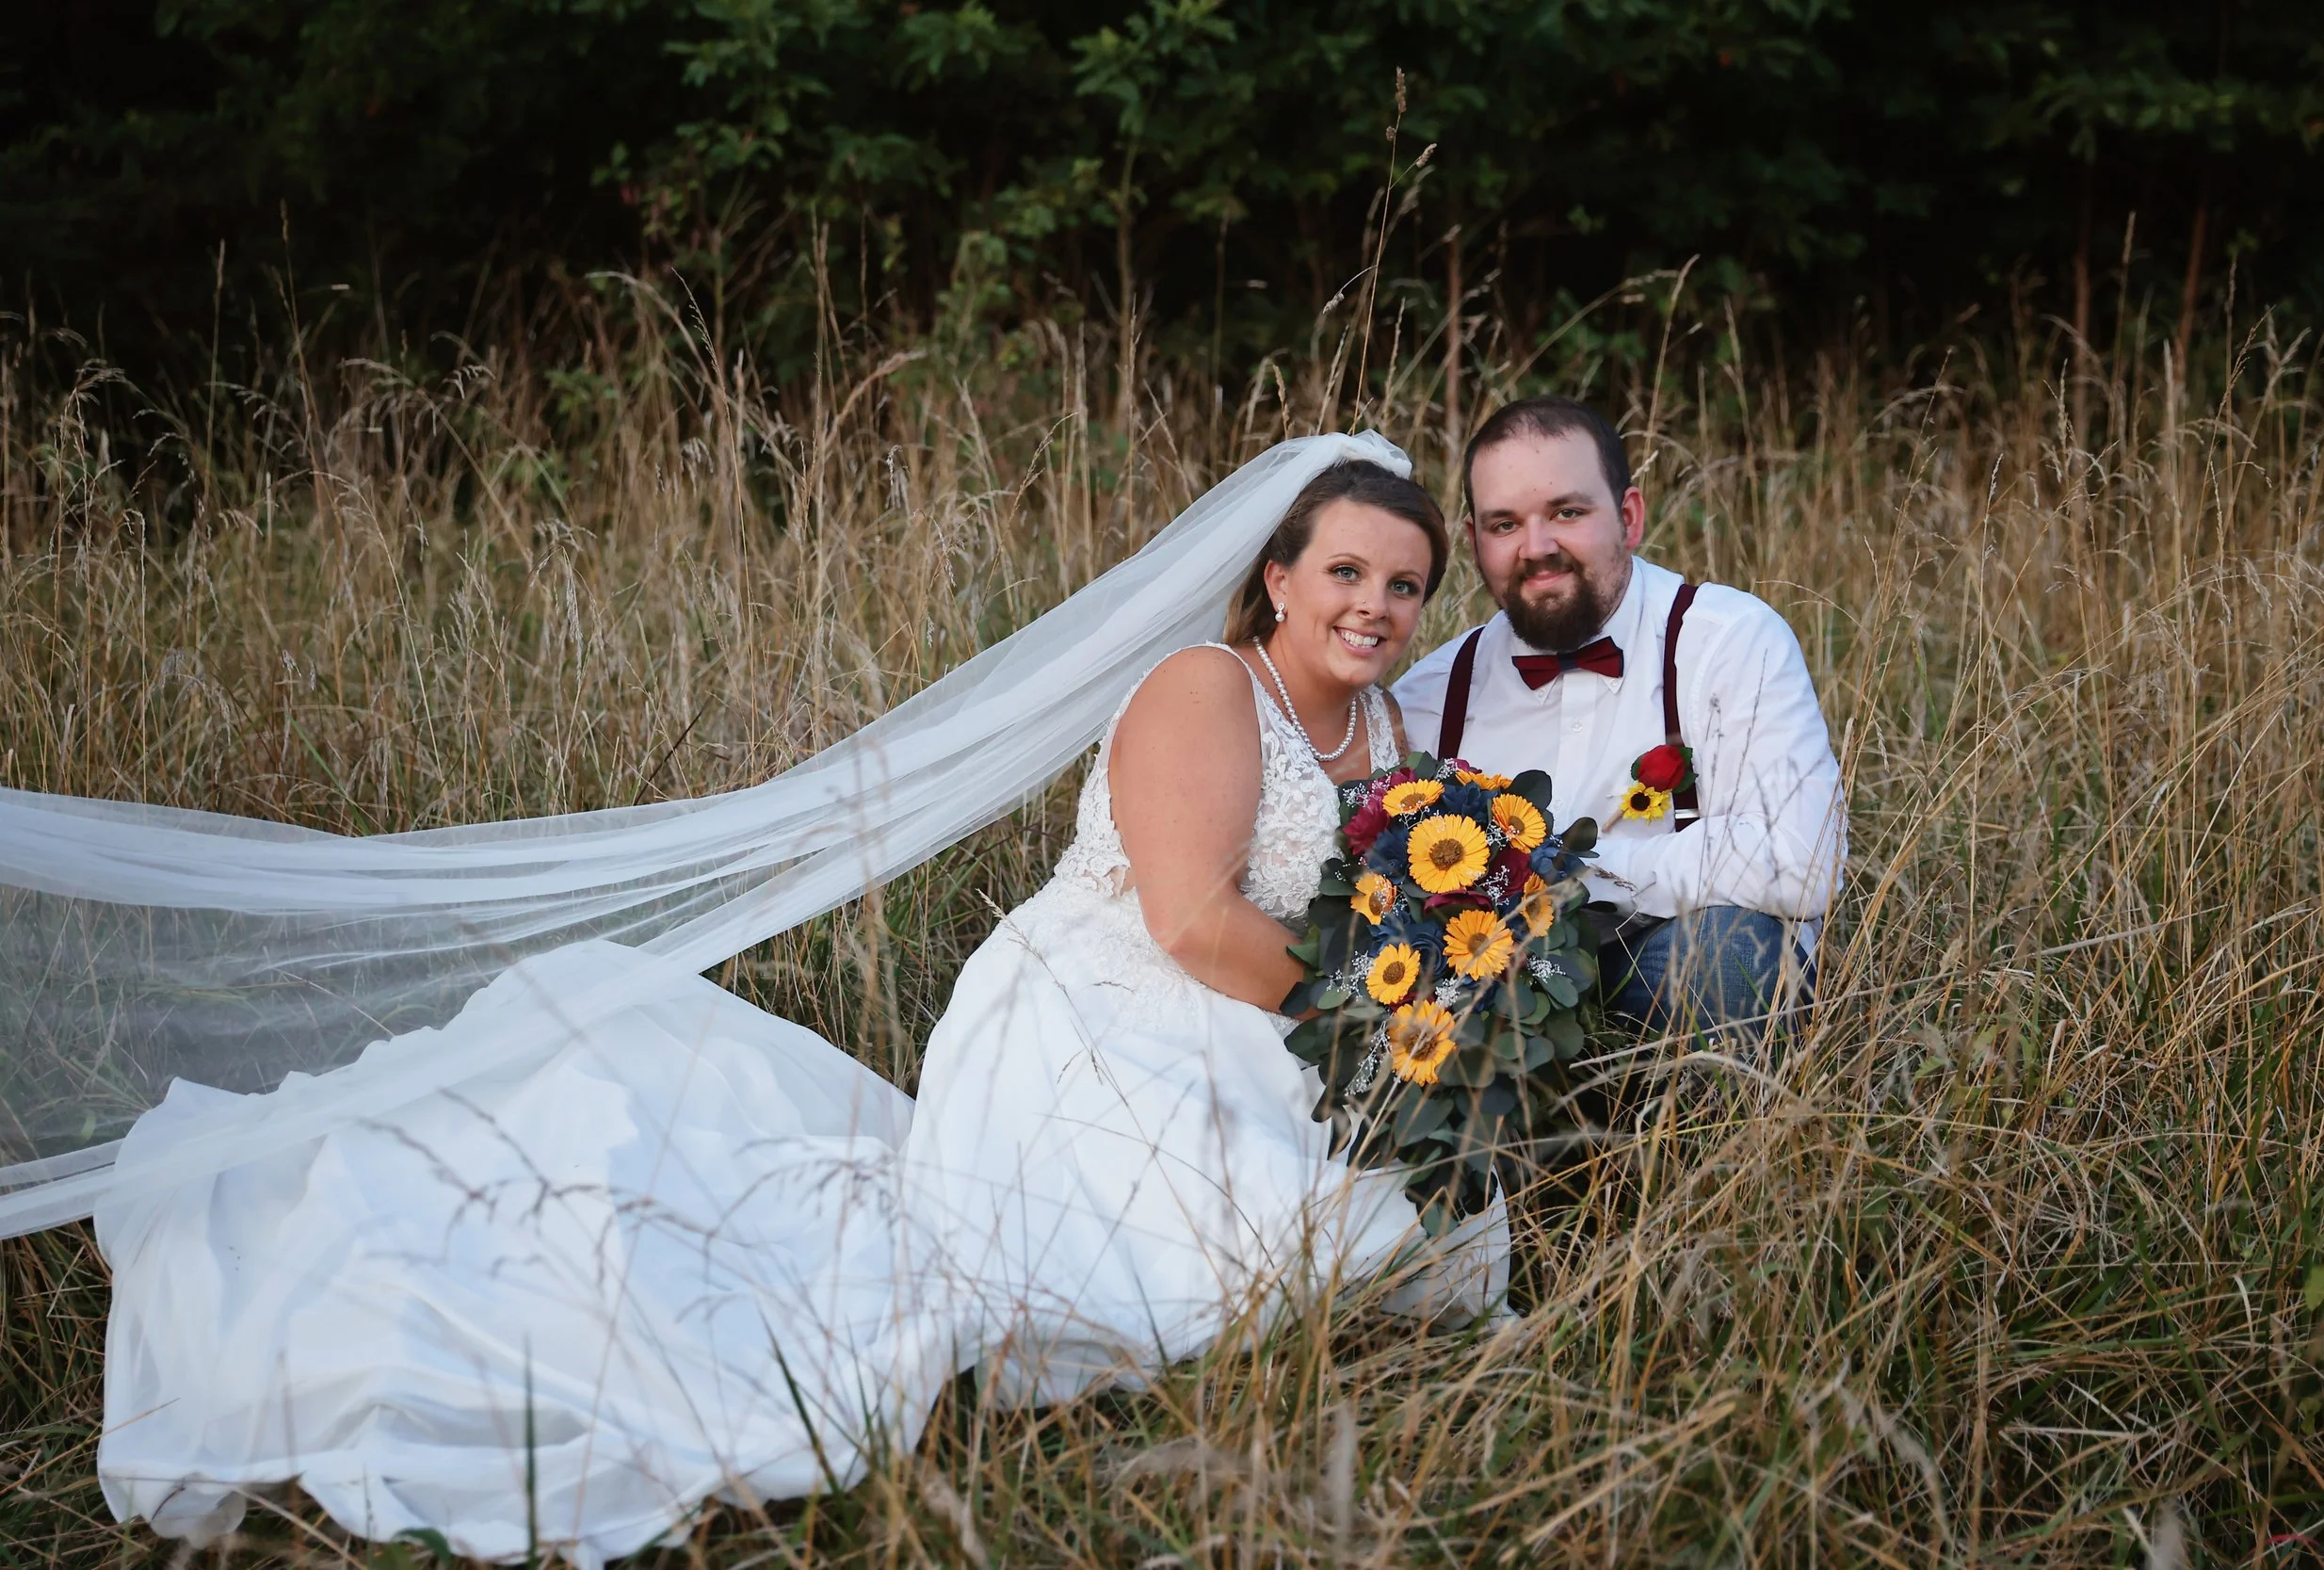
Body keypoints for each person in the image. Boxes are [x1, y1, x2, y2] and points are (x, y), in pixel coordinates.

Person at [92, 453, 1508, 1562]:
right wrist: (1385, 1026)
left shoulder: (1383, 731)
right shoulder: (1205, 690)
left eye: (1405, 584)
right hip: (1105, 1019)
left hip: (1259, 1024)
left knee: (1391, 1224)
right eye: (1346, 570)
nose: (1373, 605)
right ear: (1276, 574)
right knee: (1185, 1272)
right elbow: (1194, 919)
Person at [1395, 397, 1845, 1042]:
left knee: (1726, 956)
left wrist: (1579, 871)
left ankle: (1694, 1141)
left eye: (1567, 512)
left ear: (1628, 517)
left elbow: (1802, 864)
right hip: (1502, 999)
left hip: (1668, 966)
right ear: (1473, 543)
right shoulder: (1434, 692)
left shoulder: (1729, 640)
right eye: (1504, 525)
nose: (1537, 547)